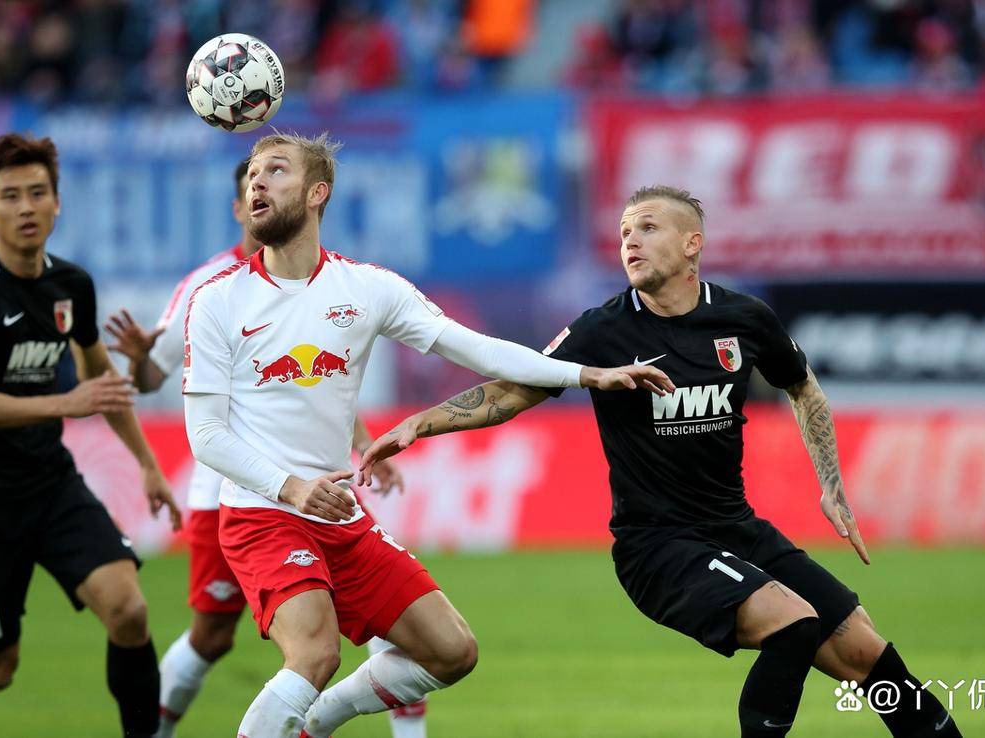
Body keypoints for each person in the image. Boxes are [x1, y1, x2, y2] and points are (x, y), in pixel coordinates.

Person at [360, 185, 963, 738]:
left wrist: (830, 485)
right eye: (624, 231)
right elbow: (512, 391)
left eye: (647, 228)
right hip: (658, 547)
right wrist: (418, 424)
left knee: (868, 655)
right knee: (793, 623)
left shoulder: (744, 318)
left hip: (737, 529)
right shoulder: (604, 330)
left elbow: (803, 389)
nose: (631, 241)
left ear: (692, 244)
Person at [181, 131, 671, 738]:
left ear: (316, 193)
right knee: (314, 654)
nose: (257, 180)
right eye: (254, 171)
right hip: (263, 513)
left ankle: (316, 723)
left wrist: (586, 373)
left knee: (451, 651)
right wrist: (292, 487)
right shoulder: (218, 300)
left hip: (339, 516)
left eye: (276, 169)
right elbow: (206, 436)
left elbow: (479, 349)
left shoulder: (366, 288)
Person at [104, 158, 425, 737]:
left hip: (312, 488)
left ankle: (400, 732)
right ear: (238, 206)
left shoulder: (324, 281)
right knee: (211, 636)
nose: (263, 191)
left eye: (277, 179)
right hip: (229, 493)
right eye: (253, 184)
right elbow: (152, 378)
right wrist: (138, 357)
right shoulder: (210, 288)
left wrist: (361, 442)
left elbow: (315, 383)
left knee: (385, 620)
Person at [0, 133, 181, 738]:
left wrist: (147, 464)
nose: (25, 207)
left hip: (50, 485)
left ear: (57, 202)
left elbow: (100, 380)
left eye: (37, 193)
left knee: (129, 609)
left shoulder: (71, 285)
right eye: (10, 196)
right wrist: (63, 403)